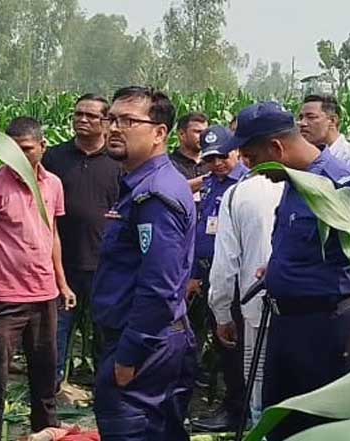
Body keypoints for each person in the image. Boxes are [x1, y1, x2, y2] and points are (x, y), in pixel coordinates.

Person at [229, 102, 350, 441]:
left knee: (318, 431)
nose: (251, 169)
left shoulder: (339, 185)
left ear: (277, 148)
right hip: (286, 327)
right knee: (280, 425)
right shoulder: (293, 180)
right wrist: (278, 270)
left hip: (326, 332)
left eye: (253, 158)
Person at [92, 86, 197, 441]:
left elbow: (159, 285)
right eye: (112, 119)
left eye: (128, 121)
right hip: (151, 339)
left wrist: (130, 355)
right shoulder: (143, 185)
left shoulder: (154, 196)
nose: (114, 128)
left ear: (159, 133)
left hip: (145, 345)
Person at [0, 117, 77, 441]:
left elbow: (52, 234)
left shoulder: (53, 185)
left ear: (43, 147)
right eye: (10, 148)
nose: (17, 155)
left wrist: (62, 282)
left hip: (43, 295)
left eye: (26, 148)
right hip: (0, 299)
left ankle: (46, 431)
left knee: (45, 374)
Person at [42, 93, 121, 393]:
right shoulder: (55, 158)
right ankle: (51, 390)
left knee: (106, 331)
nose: (82, 120)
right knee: (57, 331)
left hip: (106, 264)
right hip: (62, 264)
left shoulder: (118, 161)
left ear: (106, 122)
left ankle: (106, 391)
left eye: (90, 116)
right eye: (78, 114)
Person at [206, 162, 284, 429]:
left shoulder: (239, 193)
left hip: (257, 310)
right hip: (307, 311)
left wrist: (222, 315)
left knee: (259, 386)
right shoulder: (311, 183)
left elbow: (225, 264)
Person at [186, 126, 249, 432]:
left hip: (236, 280)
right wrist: (195, 275)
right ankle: (231, 405)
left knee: (235, 348)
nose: (218, 163)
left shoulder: (247, 185)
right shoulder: (210, 183)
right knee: (223, 346)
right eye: (211, 159)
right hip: (210, 277)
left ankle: (238, 411)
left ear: (237, 152)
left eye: (223, 156)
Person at [298, 94, 350, 184]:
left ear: (333, 120)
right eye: (301, 118)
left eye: (311, 117)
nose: (302, 123)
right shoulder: (301, 158)